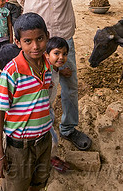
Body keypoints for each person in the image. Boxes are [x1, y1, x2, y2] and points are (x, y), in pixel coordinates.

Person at [13, 0, 91, 151]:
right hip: (39, 43)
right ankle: (45, 133)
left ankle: (68, 128)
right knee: (42, 88)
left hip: (64, 35)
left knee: (70, 83)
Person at [0, 12, 53, 191]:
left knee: (39, 182)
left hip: (44, 141)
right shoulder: (12, 72)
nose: (35, 46)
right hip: (20, 147)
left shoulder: (47, 65)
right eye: (28, 41)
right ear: (18, 43)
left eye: (40, 39)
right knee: (16, 187)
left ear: (47, 37)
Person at [45, 37, 71, 173]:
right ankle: (51, 158)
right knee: (53, 139)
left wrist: (61, 72)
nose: (61, 57)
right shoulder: (44, 71)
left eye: (64, 54)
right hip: (41, 111)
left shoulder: (54, 68)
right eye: (57, 53)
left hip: (48, 108)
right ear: (46, 54)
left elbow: (54, 71)